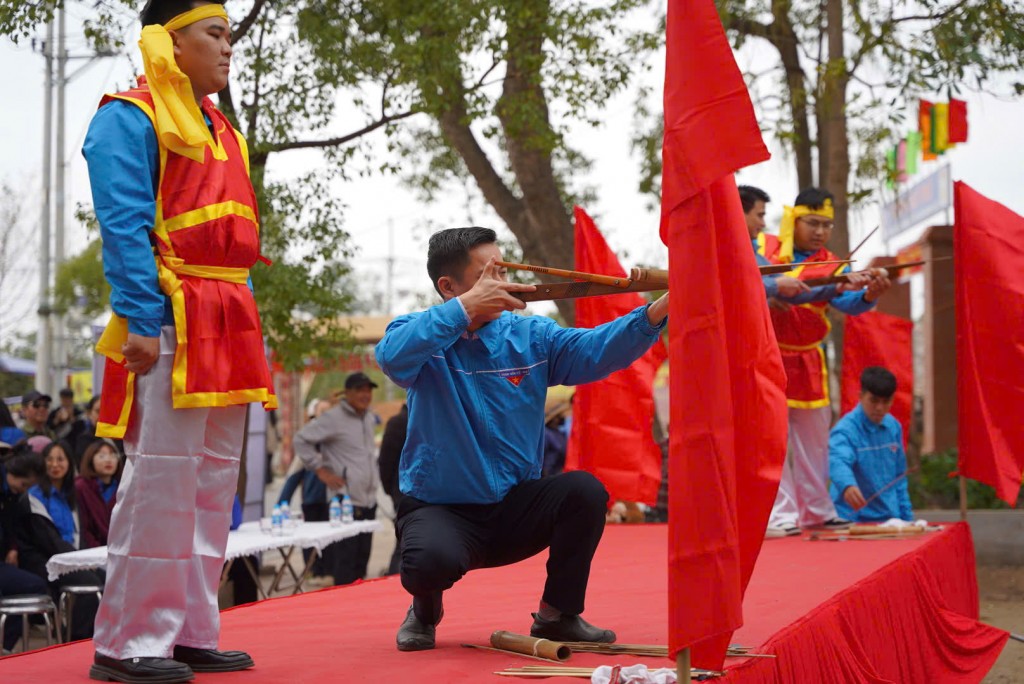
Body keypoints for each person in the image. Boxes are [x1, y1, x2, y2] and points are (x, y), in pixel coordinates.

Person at [81, 0, 277, 680]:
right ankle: (128, 643)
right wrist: (139, 318)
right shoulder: (127, 116)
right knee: (162, 481)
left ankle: (189, 630)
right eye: (214, 34)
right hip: (172, 314)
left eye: (229, 35)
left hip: (229, 312)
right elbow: (125, 224)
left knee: (212, 483)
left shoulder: (222, 127)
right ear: (169, 42)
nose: (228, 48)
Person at [376, 227, 668, 651]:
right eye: (489, 273)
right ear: (449, 286)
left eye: (504, 268)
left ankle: (556, 617)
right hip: (443, 510)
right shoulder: (419, 334)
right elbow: (391, 355)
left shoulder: (530, 335)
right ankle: (425, 609)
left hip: (516, 506)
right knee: (426, 562)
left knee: (584, 492)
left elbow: (596, 349)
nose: (504, 280)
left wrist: (657, 311)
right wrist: (464, 310)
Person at [759, 187, 892, 538]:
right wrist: (773, 288)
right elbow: (750, 278)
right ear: (794, 219)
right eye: (813, 223)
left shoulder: (835, 263)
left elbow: (848, 305)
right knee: (773, 439)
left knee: (815, 438)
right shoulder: (766, 249)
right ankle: (777, 514)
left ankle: (817, 509)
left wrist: (866, 294)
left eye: (826, 225)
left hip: (809, 359)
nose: (820, 232)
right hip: (768, 355)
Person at [294, 373, 380, 586]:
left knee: (362, 564)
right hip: (345, 505)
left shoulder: (368, 417)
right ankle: (345, 613)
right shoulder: (333, 418)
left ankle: (361, 613)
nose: (365, 394)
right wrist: (320, 470)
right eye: (360, 390)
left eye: (368, 390)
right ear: (347, 393)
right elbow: (301, 440)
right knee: (345, 566)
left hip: (368, 501)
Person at [16, 444, 103, 641]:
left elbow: (79, 534)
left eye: (60, 459)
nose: (55, 464)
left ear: (69, 463)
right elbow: (48, 541)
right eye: (50, 459)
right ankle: (75, 638)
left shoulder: (71, 496)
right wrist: (79, 561)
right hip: (43, 561)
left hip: (69, 558)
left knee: (107, 578)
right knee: (90, 583)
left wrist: (83, 559)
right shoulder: (34, 497)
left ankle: (95, 637)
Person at [829, 367, 912, 522]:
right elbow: (838, 461)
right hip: (851, 520)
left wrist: (907, 519)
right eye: (873, 400)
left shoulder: (894, 427)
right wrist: (847, 485)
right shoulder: (845, 429)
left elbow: (899, 478)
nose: (880, 408)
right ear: (861, 396)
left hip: (889, 519)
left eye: (886, 402)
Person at [0, 448, 49, 654]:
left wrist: (12, 548)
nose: (24, 490)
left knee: (34, 585)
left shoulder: (13, 496)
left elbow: (10, 527)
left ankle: (4, 646)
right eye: (24, 484)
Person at [738, 185, 809, 302]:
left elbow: (792, 287)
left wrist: (836, 287)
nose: (763, 224)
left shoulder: (757, 257)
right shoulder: (717, 251)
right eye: (760, 215)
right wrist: (775, 285)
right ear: (740, 213)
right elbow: (736, 287)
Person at [75, 439, 124, 549]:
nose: (108, 460)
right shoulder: (81, 487)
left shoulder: (123, 487)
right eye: (102, 456)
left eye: (112, 455)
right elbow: (84, 527)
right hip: (91, 550)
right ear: (90, 460)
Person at [378, 403, 408, 576]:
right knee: (405, 545)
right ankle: (393, 579)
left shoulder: (399, 421)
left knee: (404, 544)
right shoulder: (399, 422)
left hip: (402, 493)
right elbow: (386, 462)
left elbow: (384, 463)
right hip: (406, 494)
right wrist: (392, 490)